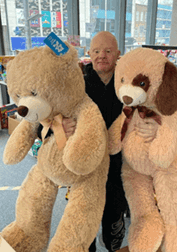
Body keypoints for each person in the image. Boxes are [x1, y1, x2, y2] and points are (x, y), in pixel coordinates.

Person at [63, 31, 159, 252]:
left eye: (107, 51)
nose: (101, 56)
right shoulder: (77, 86)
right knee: (83, 228)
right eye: (96, 51)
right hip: (86, 170)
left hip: (120, 169)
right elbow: (49, 121)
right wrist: (59, 127)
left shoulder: (132, 86)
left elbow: (153, 112)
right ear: (89, 53)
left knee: (113, 227)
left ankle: (111, 243)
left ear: (118, 54)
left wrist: (153, 126)